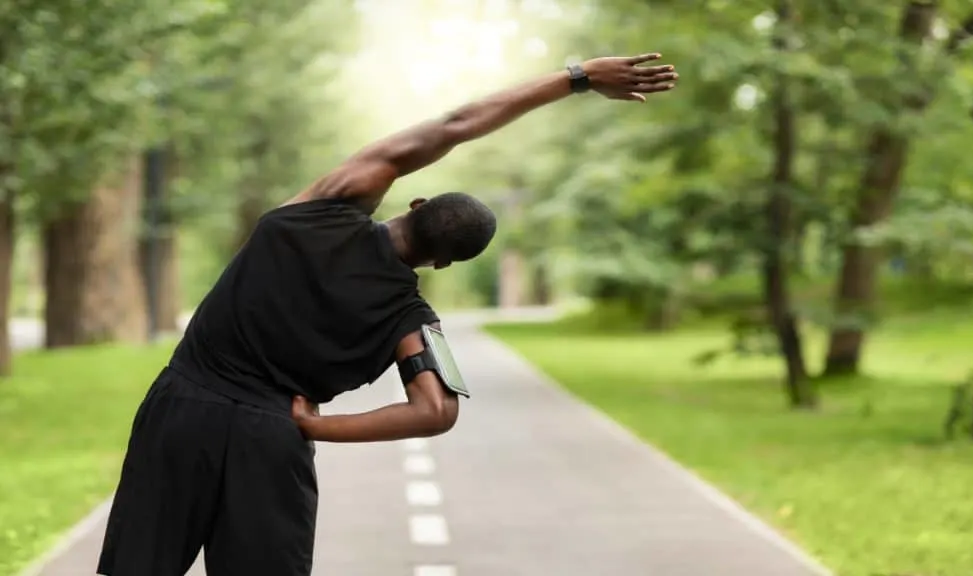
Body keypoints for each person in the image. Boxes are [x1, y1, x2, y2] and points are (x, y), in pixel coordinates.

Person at [96, 52, 677, 576]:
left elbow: (454, 126)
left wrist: (575, 78)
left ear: (416, 201)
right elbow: (436, 410)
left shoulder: (324, 206)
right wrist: (319, 427)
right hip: (272, 438)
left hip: (179, 411)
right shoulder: (412, 318)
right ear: (445, 263)